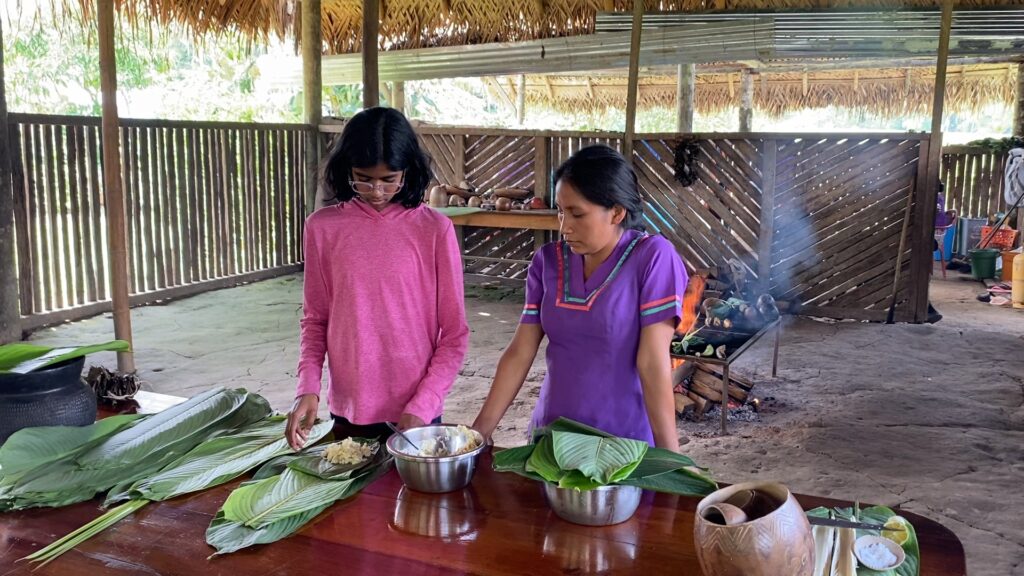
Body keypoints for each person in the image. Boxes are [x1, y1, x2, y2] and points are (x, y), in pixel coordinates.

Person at [473, 145, 687, 451]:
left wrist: (670, 458)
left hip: (623, 445)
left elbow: (652, 361)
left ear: (616, 212)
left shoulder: (653, 258)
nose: (564, 226)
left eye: (577, 213)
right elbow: (521, 351)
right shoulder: (547, 261)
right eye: (561, 211)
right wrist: (479, 432)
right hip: (552, 440)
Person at [286, 107, 469, 450]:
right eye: (364, 177)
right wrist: (307, 388)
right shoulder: (322, 228)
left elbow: (455, 334)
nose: (376, 190)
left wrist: (424, 404)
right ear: (345, 170)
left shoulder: (433, 230)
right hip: (350, 410)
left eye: (389, 179)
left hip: (417, 414)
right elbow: (315, 320)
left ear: (409, 170)